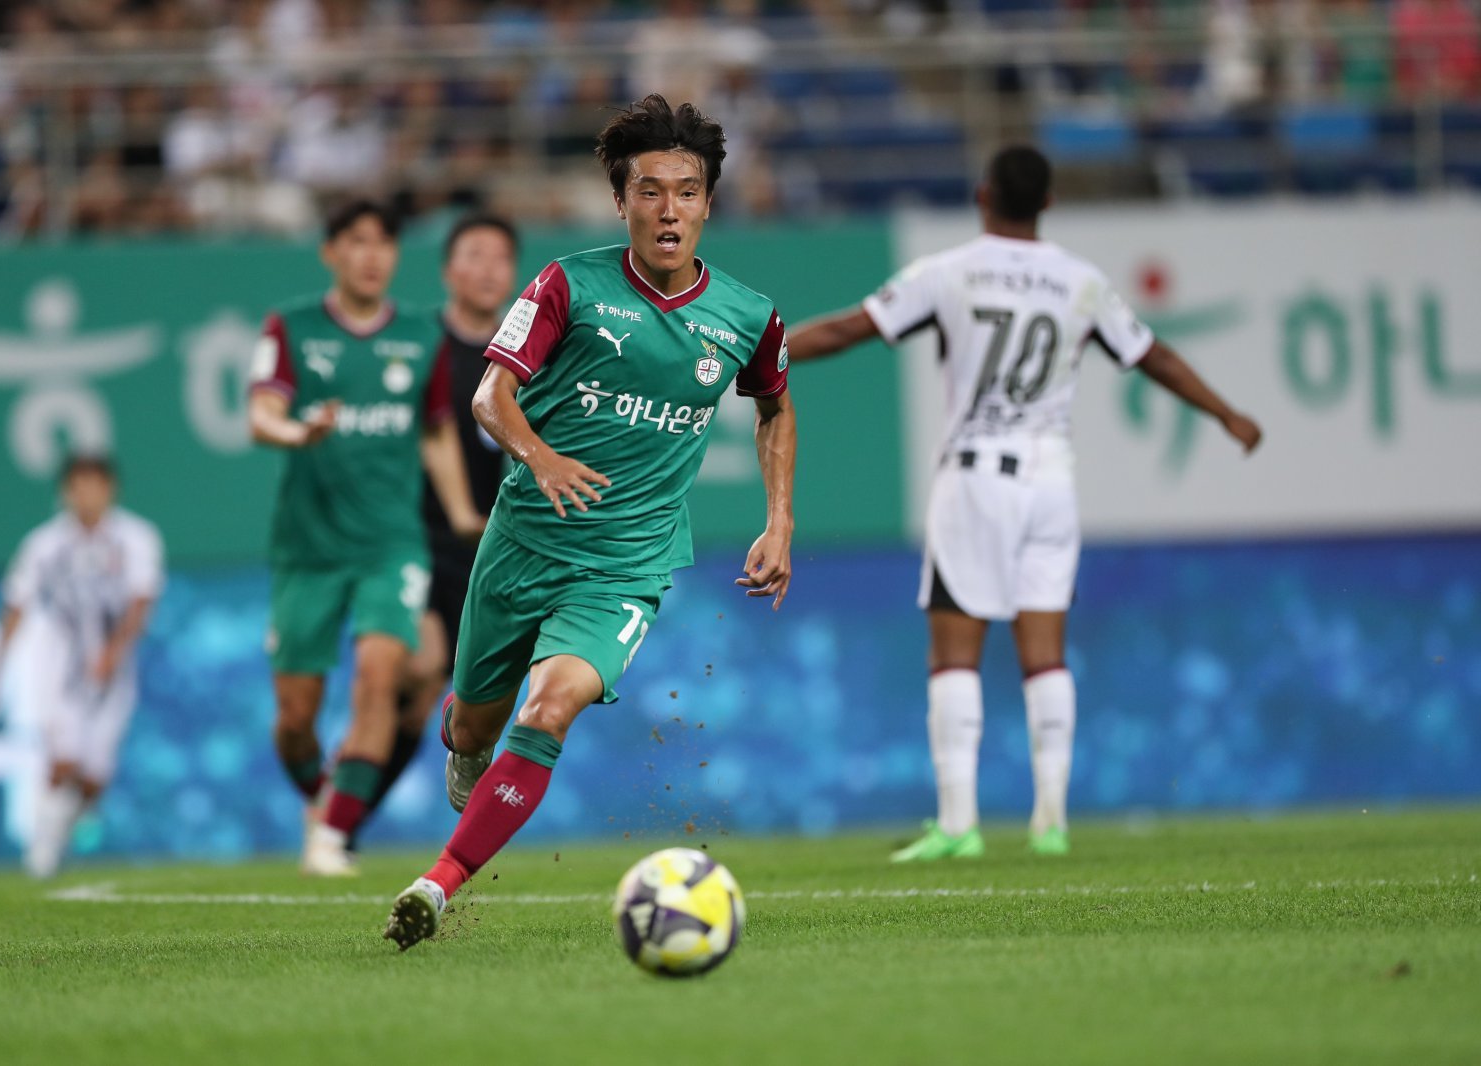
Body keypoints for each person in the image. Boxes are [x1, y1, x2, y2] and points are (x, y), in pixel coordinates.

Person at [383, 94, 796, 950]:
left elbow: (774, 408)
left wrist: (779, 520)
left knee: (550, 708)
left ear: (709, 204)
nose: (669, 210)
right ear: (620, 202)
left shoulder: (749, 316)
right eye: (650, 191)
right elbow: (489, 396)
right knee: (474, 725)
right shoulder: (568, 284)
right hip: (522, 543)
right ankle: (464, 735)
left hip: (624, 566)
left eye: (687, 192)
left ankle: (436, 885)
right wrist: (540, 457)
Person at [787, 145, 1263, 861]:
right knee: (1045, 654)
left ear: (983, 195)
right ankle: (1051, 822)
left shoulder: (948, 271)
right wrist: (1226, 413)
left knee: (955, 652)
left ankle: (958, 824)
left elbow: (850, 329)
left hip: (976, 476)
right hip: (1050, 482)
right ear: (1047, 203)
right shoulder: (1081, 282)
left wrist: (766, 353)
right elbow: (1153, 356)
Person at [248, 198, 487, 877]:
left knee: (381, 678)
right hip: (308, 549)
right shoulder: (291, 327)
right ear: (330, 252)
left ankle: (332, 837)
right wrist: (298, 430)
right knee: (296, 717)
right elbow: (261, 413)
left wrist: (461, 511)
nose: (372, 255)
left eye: (384, 243)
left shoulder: (418, 336)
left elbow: (436, 431)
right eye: (357, 241)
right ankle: (321, 796)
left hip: (390, 545)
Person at [350, 212, 520, 845]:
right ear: (448, 271)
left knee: (425, 700)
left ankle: (345, 817)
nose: (487, 269)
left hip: (483, 548)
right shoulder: (416, 345)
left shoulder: (524, 354)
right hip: (413, 536)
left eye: (500, 258)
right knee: (418, 667)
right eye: (474, 255)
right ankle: (338, 816)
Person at [0, 455, 164, 879]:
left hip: (113, 672)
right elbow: (17, 604)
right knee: (62, 760)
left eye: (95, 485)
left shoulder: (136, 538)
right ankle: (42, 849)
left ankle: (65, 825)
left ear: (111, 489)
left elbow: (142, 599)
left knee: (95, 776)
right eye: (78, 487)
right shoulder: (43, 544)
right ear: (65, 493)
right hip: (59, 666)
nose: (87, 496)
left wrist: (114, 651)